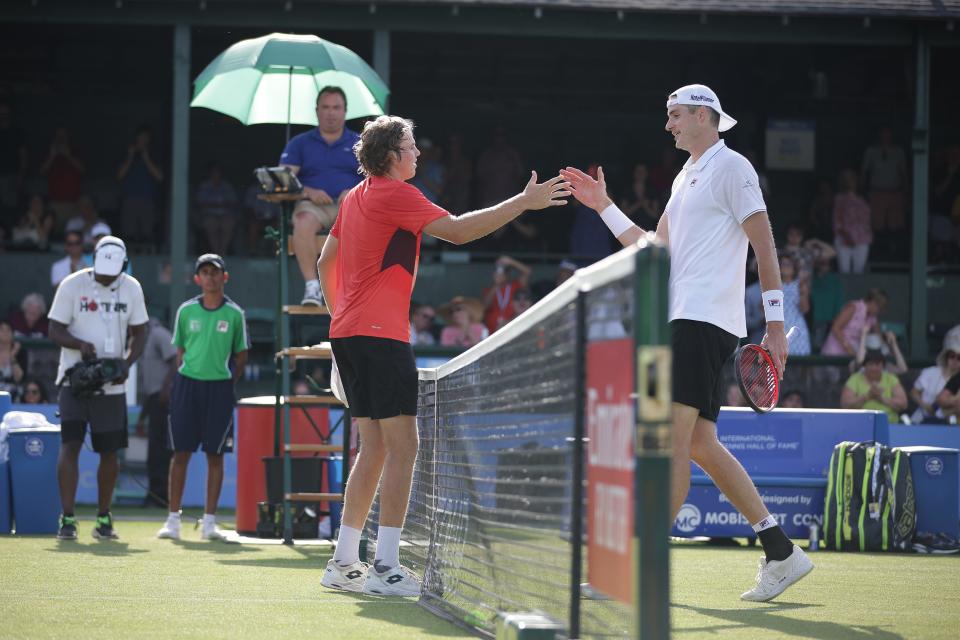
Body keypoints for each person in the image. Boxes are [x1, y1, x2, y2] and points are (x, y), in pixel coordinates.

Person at [559, 83, 813, 602]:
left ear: (703, 115)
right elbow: (654, 248)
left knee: (663, 445)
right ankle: (782, 550)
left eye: (675, 115)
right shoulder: (685, 175)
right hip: (677, 321)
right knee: (697, 444)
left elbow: (765, 246)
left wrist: (775, 325)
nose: (669, 125)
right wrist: (604, 205)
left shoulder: (733, 167)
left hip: (700, 323)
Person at [317, 115, 568, 596]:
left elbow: (326, 261)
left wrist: (341, 317)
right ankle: (386, 568)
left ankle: (343, 561)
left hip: (348, 334)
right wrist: (524, 201)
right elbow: (457, 232)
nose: (418, 154)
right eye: (411, 147)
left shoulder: (355, 197)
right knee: (404, 449)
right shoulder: (397, 194)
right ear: (392, 156)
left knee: (373, 449)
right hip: (379, 336)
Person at [48, 235, 148, 540]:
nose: (107, 276)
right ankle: (67, 517)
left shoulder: (131, 287)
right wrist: (79, 345)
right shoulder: (72, 284)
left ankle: (103, 518)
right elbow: (54, 328)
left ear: (123, 265)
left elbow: (141, 331)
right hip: (74, 379)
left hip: (112, 385)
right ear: (94, 260)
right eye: (103, 270)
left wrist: (126, 365)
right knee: (71, 445)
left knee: (109, 452)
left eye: (113, 271)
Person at [157, 254, 248, 541]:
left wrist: (223, 380)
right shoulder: (185, 311)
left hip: (219, 390)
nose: (210, 277)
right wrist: (193, 372)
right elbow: (180, 351)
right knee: (180, 452)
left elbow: (241, 355)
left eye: (215, 272)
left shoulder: (235, 314)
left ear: (225, 277)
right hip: (187, 386)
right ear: (197, 278)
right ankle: (173, 520)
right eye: (204, 272)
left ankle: (209, 522)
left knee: (215, 454)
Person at [280, 86, 363, 306]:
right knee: (302, 221)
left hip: (350, 206)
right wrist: (308, 191)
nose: (331, 113)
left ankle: (351, 287)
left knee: (361, 220)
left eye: (336, 107)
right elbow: (283, 180)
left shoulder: (360, 142)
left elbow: (377, 178)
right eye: (325, 107)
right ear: (316, 111)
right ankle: (312, 287)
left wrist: (355, 192)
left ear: (345, 111)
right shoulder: (300, 143)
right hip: (312, 206)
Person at [136, 313, 178, 507]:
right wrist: (142, 417)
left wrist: (166, 388)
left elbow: (176, 361)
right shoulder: (144, 339)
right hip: (154, 399)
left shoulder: (159, 334)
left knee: (161, 449)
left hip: (165, 399)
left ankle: (161, 496)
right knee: (155, 450)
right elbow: (148, 385)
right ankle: (156, 494)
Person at [117, 125, 164, 243]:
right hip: (129, 197)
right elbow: (119, 176)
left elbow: (159, 177)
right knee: (128, 233)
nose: (142, 141)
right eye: (140, 138)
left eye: (145, 138)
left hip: (147, 198)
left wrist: (146, 157)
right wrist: (130, 157)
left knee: (147, 233)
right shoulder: (128, 153)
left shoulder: (154, 155)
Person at [840, 348, 908, 424]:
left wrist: (881, 398)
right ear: (864, 366)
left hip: (889, 424)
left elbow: (903, 404)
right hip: (860, 424)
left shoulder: (891, 379)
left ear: (883, 366)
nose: (874, 368)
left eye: (877, 364)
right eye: (870, 364)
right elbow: (845, 404)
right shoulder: (854, 379)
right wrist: (867, 396)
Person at [40, 126, 85, 230]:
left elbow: (83, 170)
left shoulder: (75, 150)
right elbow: (42, 171)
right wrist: (52, 156)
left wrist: (68, 155)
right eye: (59, 136)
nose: (61, 139)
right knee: (55, 233)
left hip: (73, 202)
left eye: (63, 136)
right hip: (55, 202)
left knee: (73, 233)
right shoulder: (50, 151)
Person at [820, 288, 887, 357]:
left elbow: (878, 336)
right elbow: (835, 327)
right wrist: (847, 346)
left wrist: (886, 348)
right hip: (834, 352)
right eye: (879, 308)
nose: (879, 312)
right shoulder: (853, 307)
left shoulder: (872, 317)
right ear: (873, 302)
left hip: (851, 356)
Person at [910, 335, 960, 424]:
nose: (955, 360)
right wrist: (924, 405)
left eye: (959, 358)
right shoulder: (931, 372)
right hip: (922, 418)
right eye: (952, 356)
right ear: (946, 357)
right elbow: (914, 392)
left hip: (948, 422)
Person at [833, 169, 872, 274]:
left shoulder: (864, 199)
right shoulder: (839, 199)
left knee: (859, 271)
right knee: (844, 271)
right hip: (844, 238)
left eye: (851, 179)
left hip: (862, 239)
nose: (849, 182)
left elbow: (867, 221)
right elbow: (837, 221)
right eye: (846, 179)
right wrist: (847, 236)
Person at [195, 163, 238, 256]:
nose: (216, 175)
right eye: (214, 173)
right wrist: (218, 205)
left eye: (218, 173)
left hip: (225, 215)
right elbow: (201, 203)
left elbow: (232, 202)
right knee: (210, 224)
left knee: (228, 223)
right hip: (209, 215)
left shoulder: (227, 186)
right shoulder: (205, 186)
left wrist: (214, 205)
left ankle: (222, 252)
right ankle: (216, 252)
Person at [481, 255, 531, 334]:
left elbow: (527, 271)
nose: (500, 276)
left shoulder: (516, 285)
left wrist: (510, 261)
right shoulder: (489, 290)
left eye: (503, 273)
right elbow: (484, 307)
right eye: (497, 273)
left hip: (512, 330)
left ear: (508, 274)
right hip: (491, 334)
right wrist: (496, 285)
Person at [778, 254, 811, 355]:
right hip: (778, 327)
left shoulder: (800, 284)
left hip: (797, 327)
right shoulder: (773, 285)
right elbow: (762, 308)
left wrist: (803, 291)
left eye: (789, 264)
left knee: (799, 362)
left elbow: (805, 309)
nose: (786, 267)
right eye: (783, 264)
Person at [0, 320, 25, 400]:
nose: (5, 333)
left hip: (13, 392)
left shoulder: (20, 352)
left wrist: (12, 356)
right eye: (2, 330)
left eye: (8, 330)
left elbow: (19, 377)